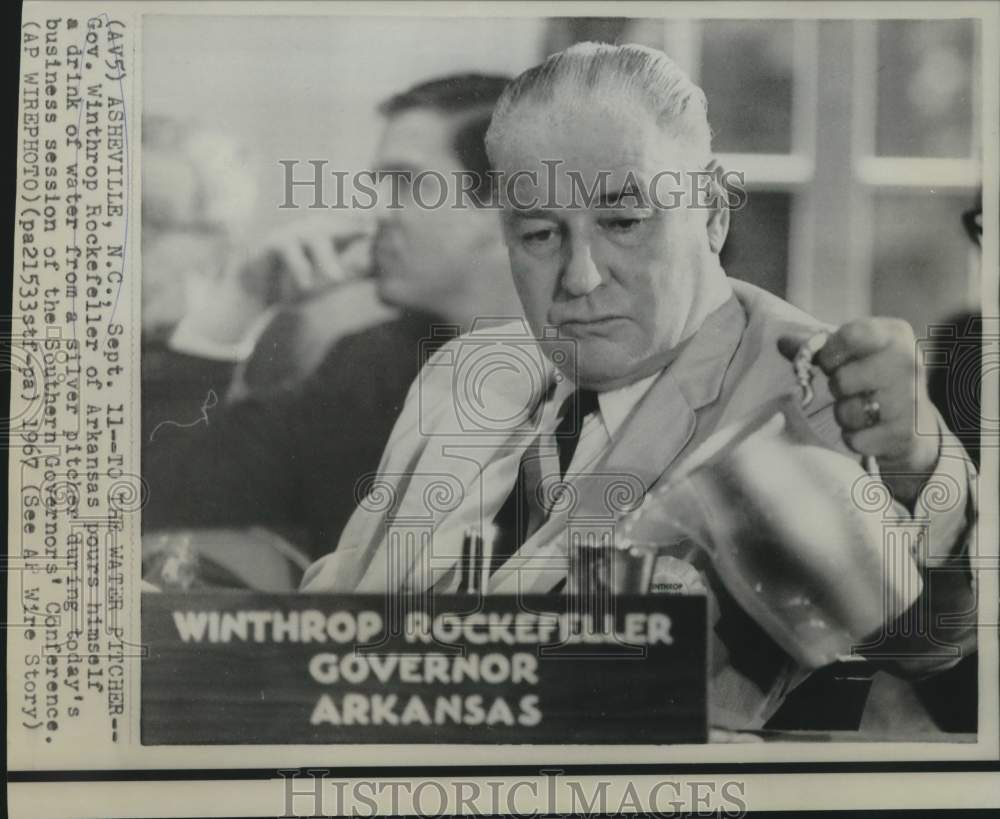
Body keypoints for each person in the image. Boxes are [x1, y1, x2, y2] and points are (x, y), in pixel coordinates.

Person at [301, 43, 977, 729]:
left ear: (712, 212)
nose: (581, 277)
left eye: (623, 223)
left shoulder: (811, 390)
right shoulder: (463, 373)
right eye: (539, 234)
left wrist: (917, 466)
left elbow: (927, 641)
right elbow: (348, 614)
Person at [142, 74, 522, 560]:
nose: (375, 212)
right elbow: (156, 496)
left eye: (405, 183)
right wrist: (240, 299)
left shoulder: (618, 374)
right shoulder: (363, 370)